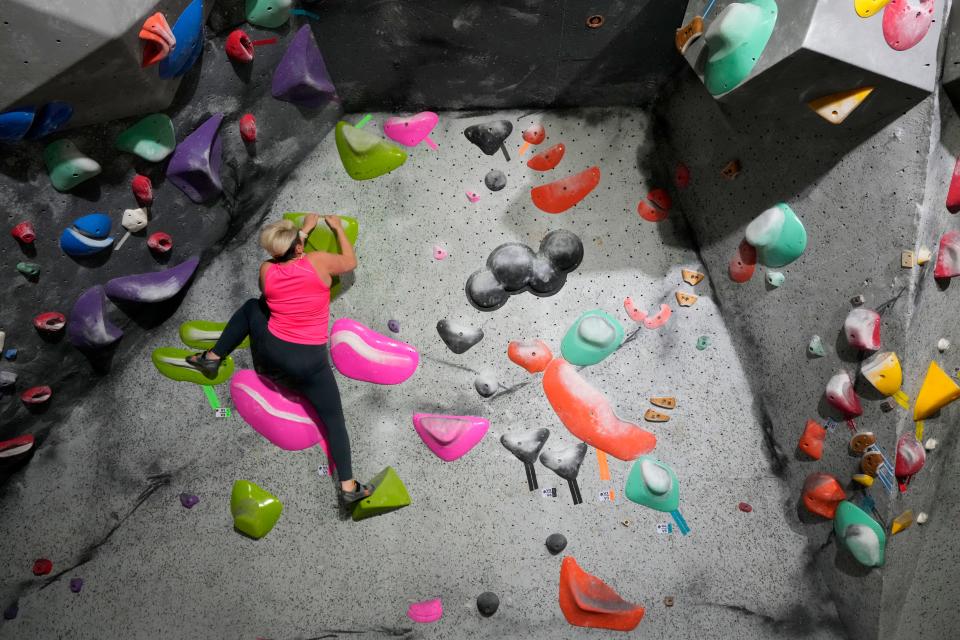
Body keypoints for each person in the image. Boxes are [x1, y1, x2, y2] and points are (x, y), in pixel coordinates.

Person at [186, 214, 373, 506]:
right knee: (334, 421)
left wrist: (303, 232)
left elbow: (279, 272)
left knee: (253, 307)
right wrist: (336, 228)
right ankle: (348, 486)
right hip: (311, 363)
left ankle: (212, 357)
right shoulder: (319, 261)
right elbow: (349, 261)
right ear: (299, 247)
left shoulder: (267, 271)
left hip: (274, 353)